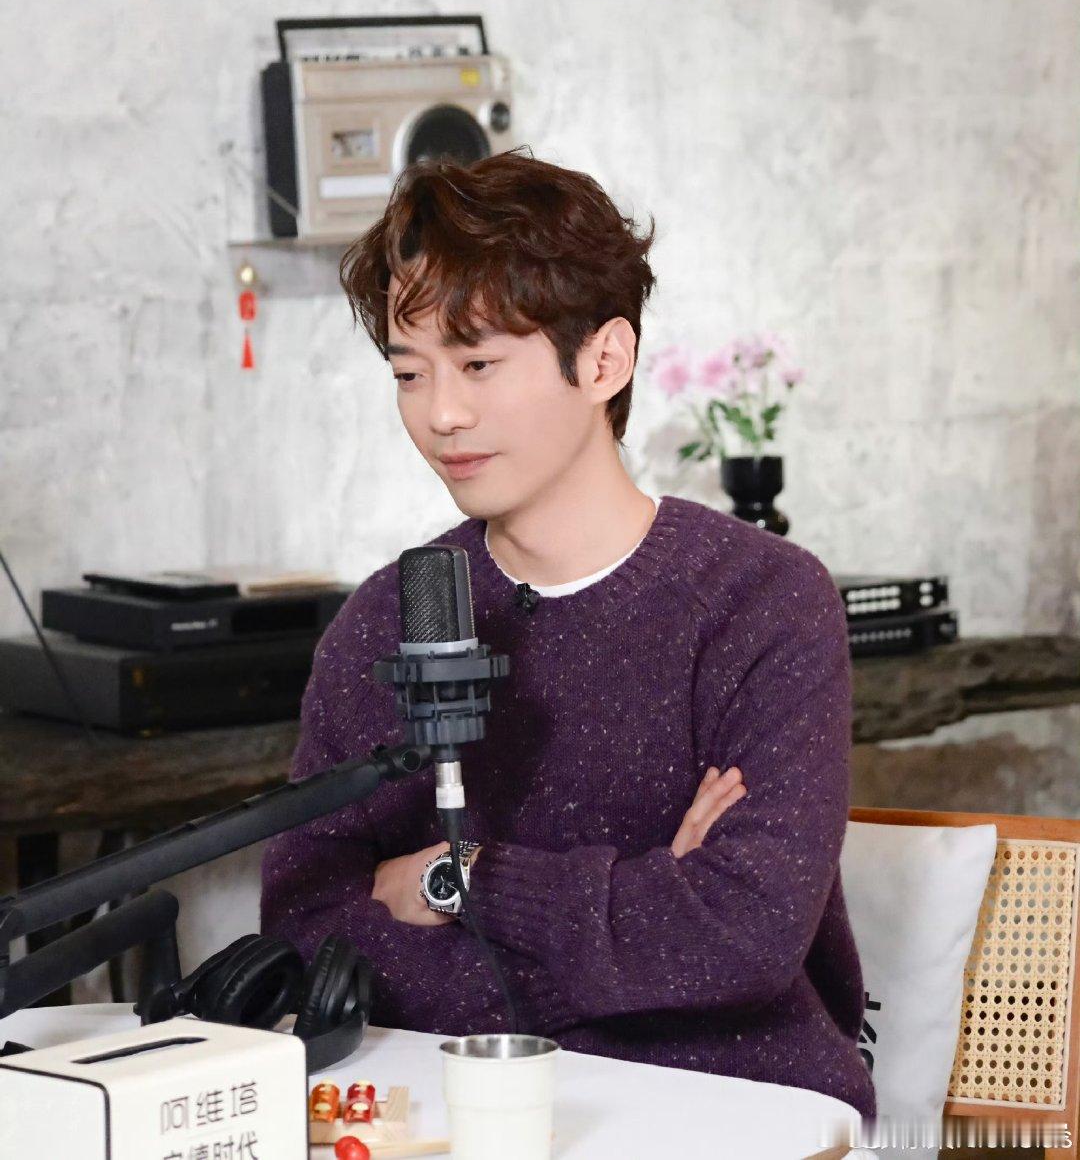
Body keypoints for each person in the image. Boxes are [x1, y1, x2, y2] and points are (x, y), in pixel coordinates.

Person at [260, 147, 876, 1120]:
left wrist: (454, 881)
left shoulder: (762, 601)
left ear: (604, 361)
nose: (440, 414)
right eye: (409, 373)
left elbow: (742, 939)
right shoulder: (385, 618)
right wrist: (642, 910)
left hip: (736, 1104)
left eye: (478, 364)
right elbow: (305, 929)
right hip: (471, 1115)